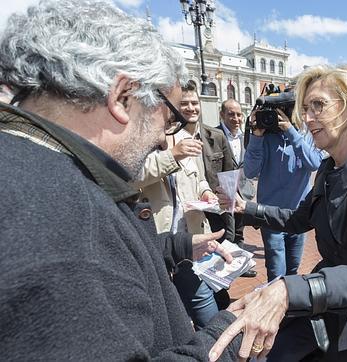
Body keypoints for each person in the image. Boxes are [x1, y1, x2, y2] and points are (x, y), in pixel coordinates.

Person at [0, 1, 243, 359]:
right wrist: (226, 336)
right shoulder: (67, 223)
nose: (164, 138)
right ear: (122, 97)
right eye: (169, 117)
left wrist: (173, 247)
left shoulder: (35, 172)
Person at [209, 64, 347, 361]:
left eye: (318, 105)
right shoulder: (328, 170)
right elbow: (297, 219)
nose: (307, 118)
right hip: (332, 303)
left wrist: (289, 290)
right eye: (305, 108)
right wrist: (247, 209)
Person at [134, 83, 231, 328]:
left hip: (191, 239)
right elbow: (134, 176)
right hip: (158, 240)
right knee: (167, 314)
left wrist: (207, 192)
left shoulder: (184, 137)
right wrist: (173, 155)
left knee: (204, 306)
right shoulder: (137, 140)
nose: (178, 112)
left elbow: (197, 178)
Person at [245, 102, 323, 282]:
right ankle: (277, 307)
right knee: (276, 272)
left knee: (293, 269)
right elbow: (250, 172)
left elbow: (314, 163)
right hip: (270, 217)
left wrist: (290, 131)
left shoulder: (307, 136)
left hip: (298, 215)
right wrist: (256, 136)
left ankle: (291, 306)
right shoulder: (264, 136)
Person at [218, 98, 258, 277]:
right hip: (224, 191)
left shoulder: (247, 137)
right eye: (231, 114)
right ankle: (224, 267)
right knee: (228, 231)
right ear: (222, 115)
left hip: (242, 190)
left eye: (239, 114)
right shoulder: (215, 134)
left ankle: (241, 267)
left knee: (240, 231)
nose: (236, 118)